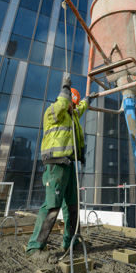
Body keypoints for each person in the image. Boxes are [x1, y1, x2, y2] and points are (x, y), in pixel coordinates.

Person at [26, 77, 93, 257]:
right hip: (55, 165)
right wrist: (65, 86)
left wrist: (87, 100)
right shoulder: (53, 112)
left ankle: (71, 242)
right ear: (66, 100)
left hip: (68, 165)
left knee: (72, 206)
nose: (74, 108)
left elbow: (81, 109)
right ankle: (34, 248)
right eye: (72, 104)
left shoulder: (71, 116)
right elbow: (62, 104)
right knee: (52, 206)